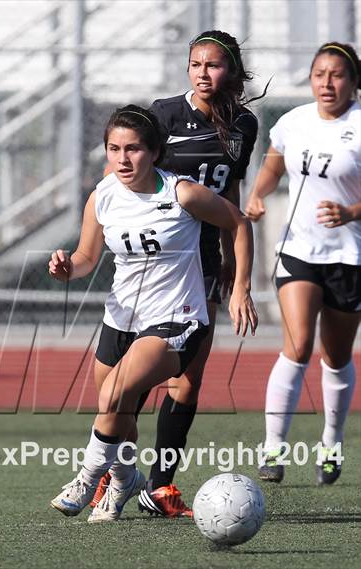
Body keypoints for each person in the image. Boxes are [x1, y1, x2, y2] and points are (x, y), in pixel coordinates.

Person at [49, 105, 257, 521]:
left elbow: (239, 223)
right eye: (114, 149)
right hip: (120, 318)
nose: (124, 159)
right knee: (118, 414)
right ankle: (127, 479)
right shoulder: (103, 194)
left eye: (134, 149)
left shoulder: (181, 193)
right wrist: (67, 267)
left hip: (177, 318)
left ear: (155, 151)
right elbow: (88, 256)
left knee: (114, 395)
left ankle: (88, 477)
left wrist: (241, 289)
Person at [93, 30, 260, 518]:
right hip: (157, 258)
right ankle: (115, 473)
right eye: (195, 64)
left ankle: (159, 489)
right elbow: (127, 177)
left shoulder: (243, 124)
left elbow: (228, 197)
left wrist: (235, 269)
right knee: (132, 383)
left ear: (231, 70)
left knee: (187, 378)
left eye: (213, 65)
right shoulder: (164, 115)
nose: (203, 74)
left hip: (203, 258)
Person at [245, 42, 360, 485]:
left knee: (335, 357)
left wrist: (350, 212)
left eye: (337, 75)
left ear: (353, 82)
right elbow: (272, 169)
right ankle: (273, 449)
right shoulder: (294, 122)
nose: (327, 83)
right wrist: (257, 194)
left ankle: (331, 443)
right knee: (296, 347)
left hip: (350, 255)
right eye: (319, 74)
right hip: (299, 250)